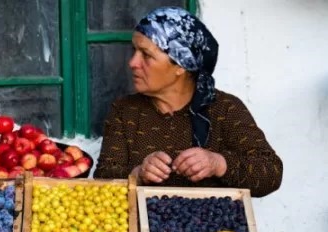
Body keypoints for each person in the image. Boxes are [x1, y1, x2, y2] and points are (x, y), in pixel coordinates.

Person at [95, 7, 282, 197]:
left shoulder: (224, 109)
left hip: (215, 226)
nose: (133, 63)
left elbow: (271, 173)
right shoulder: (125, 111)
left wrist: (219, 164)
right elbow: (102, 180)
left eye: (146, 55)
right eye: (134, 51)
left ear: (181, 66)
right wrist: (138, 173)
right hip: (143, 224)